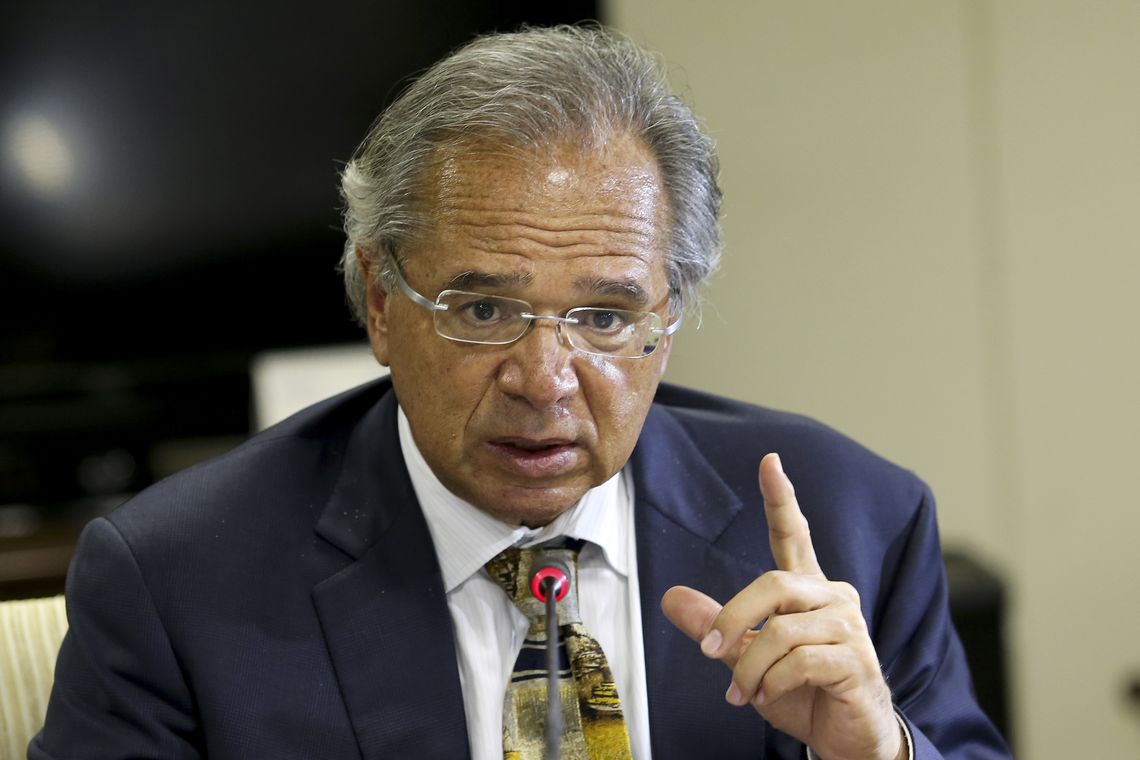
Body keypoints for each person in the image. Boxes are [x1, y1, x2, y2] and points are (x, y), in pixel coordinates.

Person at [32, 25, 1010, 760]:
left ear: (669, 320)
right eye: (484, 309)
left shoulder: (855, 520)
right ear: (381, 301)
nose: (545, 380)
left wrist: (879, 751)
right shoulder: (178, 581)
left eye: (604, 317)